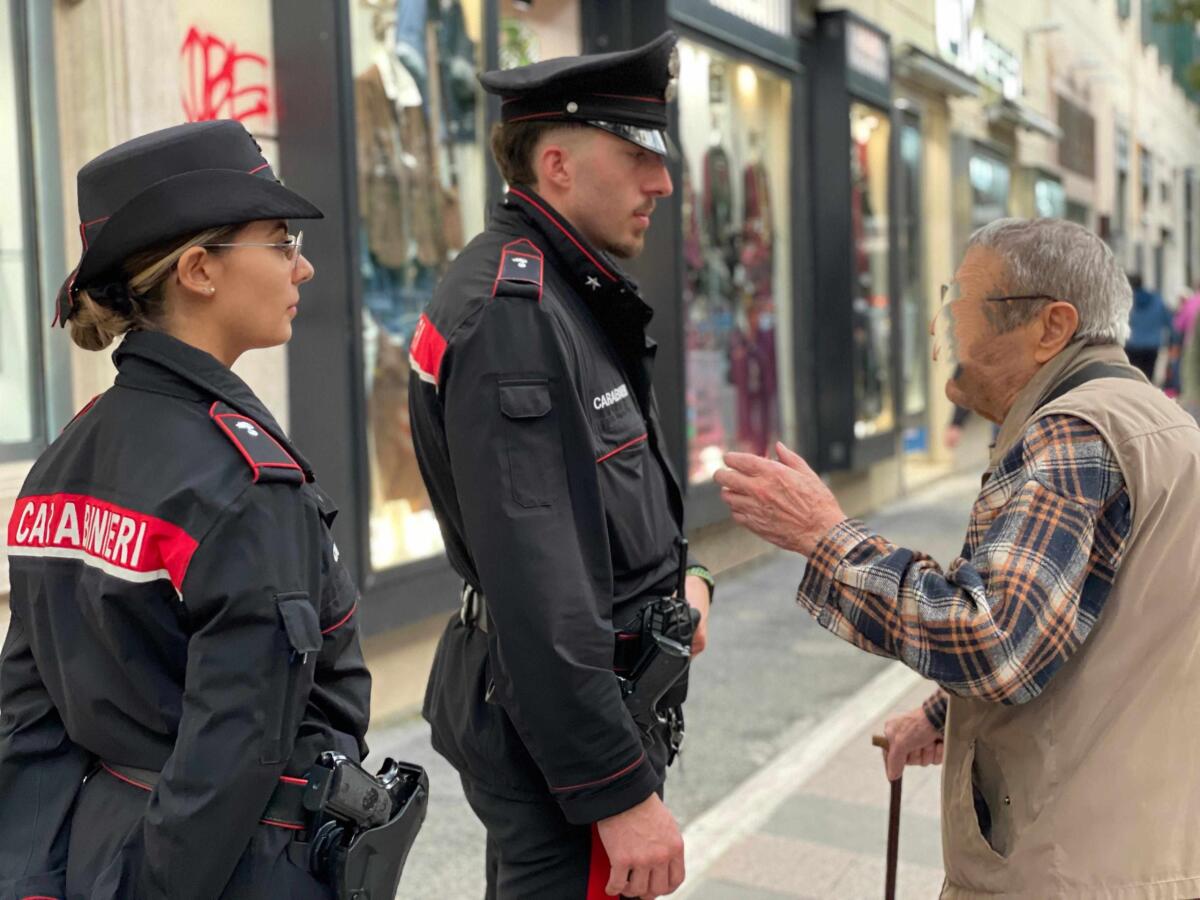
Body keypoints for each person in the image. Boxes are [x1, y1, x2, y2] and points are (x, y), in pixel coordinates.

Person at [716, 218, 1200, 896]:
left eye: (959, 304)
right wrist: (942, 716)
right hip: (1138, 852)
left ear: (1050, 327)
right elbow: (1089, 622)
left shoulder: (1074, 432)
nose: (944, 328)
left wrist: (828, 538)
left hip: (1064, 867)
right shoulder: (1156, 420)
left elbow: (995, 637)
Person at [0, 121, 372, 899]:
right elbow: (234, 752)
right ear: (200, 270)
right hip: (228, 868)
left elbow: (25, 722)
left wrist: (32, 882)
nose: (302, 268)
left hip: (97, 853)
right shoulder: (240, 479)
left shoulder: (61, 462)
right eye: (279, 241)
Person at [407, 32, 715, 900]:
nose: (662, 181)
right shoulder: (518, 314)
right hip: (563, 746)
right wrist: (615, 792)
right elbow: (539, 585)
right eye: (636, 155)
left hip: (579, 714)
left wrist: (684, 576)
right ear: (557, 165)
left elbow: (603, 507)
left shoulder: (564, 289)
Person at [1123, 271, 1173, 380]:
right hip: (1152, 346)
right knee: (1148, 377)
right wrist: (1172, 342)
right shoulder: (1157, 300)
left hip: (1131, 346)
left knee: (1132, 378)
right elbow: (1169, 322)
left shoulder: (1125, 302)